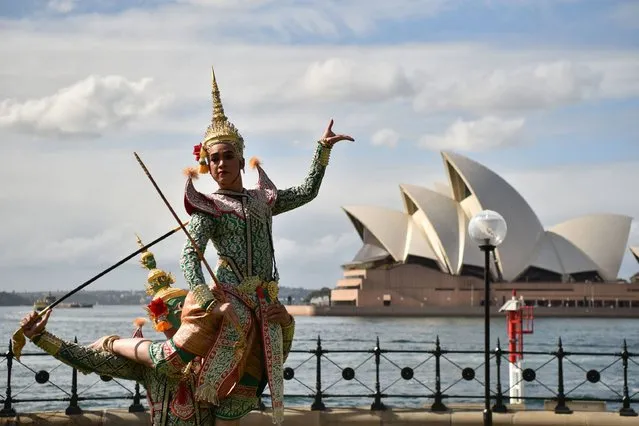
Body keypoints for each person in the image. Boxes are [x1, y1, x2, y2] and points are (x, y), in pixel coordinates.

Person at [83, 67, 354, 426]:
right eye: (214, 159)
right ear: (207, 167)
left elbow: (307, 191)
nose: (221, 164)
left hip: (264, 301)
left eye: (227, 156)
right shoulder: (209, 208)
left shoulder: (263, 200)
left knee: (246, 394)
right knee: (186, 369)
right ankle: (113, 344)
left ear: (241, 160)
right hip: (228, 300)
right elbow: (188, 258)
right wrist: (213, 303)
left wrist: (322, 151)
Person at [18, 236, 236, 425]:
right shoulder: (149, 363)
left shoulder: (218, 355)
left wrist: (110, 342)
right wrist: (40, 337)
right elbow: (90, 359)